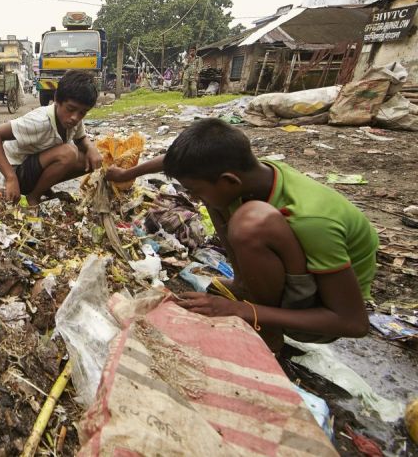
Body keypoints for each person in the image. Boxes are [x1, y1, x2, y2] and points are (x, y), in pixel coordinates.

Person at [105, 118, 376, 351]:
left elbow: (353, 322)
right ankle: (246, 286)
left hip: (318, 314)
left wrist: (244, 310)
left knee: (249, 224)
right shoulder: (248, 172)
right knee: (220, 203)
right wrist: (127, 173)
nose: (192, 198)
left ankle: (269, 334)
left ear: (229, 180)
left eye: (194, 190)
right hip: (294, 283)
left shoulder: (313, 220)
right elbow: (174, 163)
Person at [0, 70, 102, 206]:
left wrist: (91, 148)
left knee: (92, 161)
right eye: (70, 109)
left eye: (82, 112)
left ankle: (43, 189)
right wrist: (10, 178)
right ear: (57, 99)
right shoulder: (39, 121)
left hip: (33, 169)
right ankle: (33, 197)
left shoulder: (73, 120)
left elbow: (81, 139)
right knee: (69, 153)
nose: (75, 117)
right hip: (17, 171)